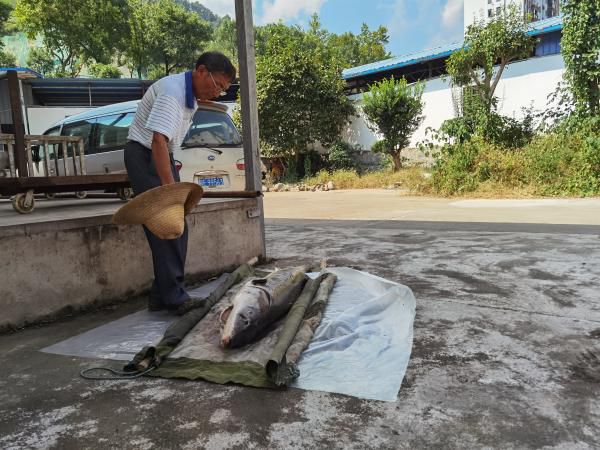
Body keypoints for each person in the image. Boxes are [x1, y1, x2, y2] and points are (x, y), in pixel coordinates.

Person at [124, 51, 236, 314]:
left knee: (171, 226)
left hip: (159, 155)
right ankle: (174, 297)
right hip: (145, 155)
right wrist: (170, 190)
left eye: (223, 89)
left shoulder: (190, 98)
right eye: (218, 85)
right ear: (200, 71)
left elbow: (167, 144)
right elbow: (158, 141)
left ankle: (161, 295)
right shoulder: (173, 94)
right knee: (169, 226)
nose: (218, 93)